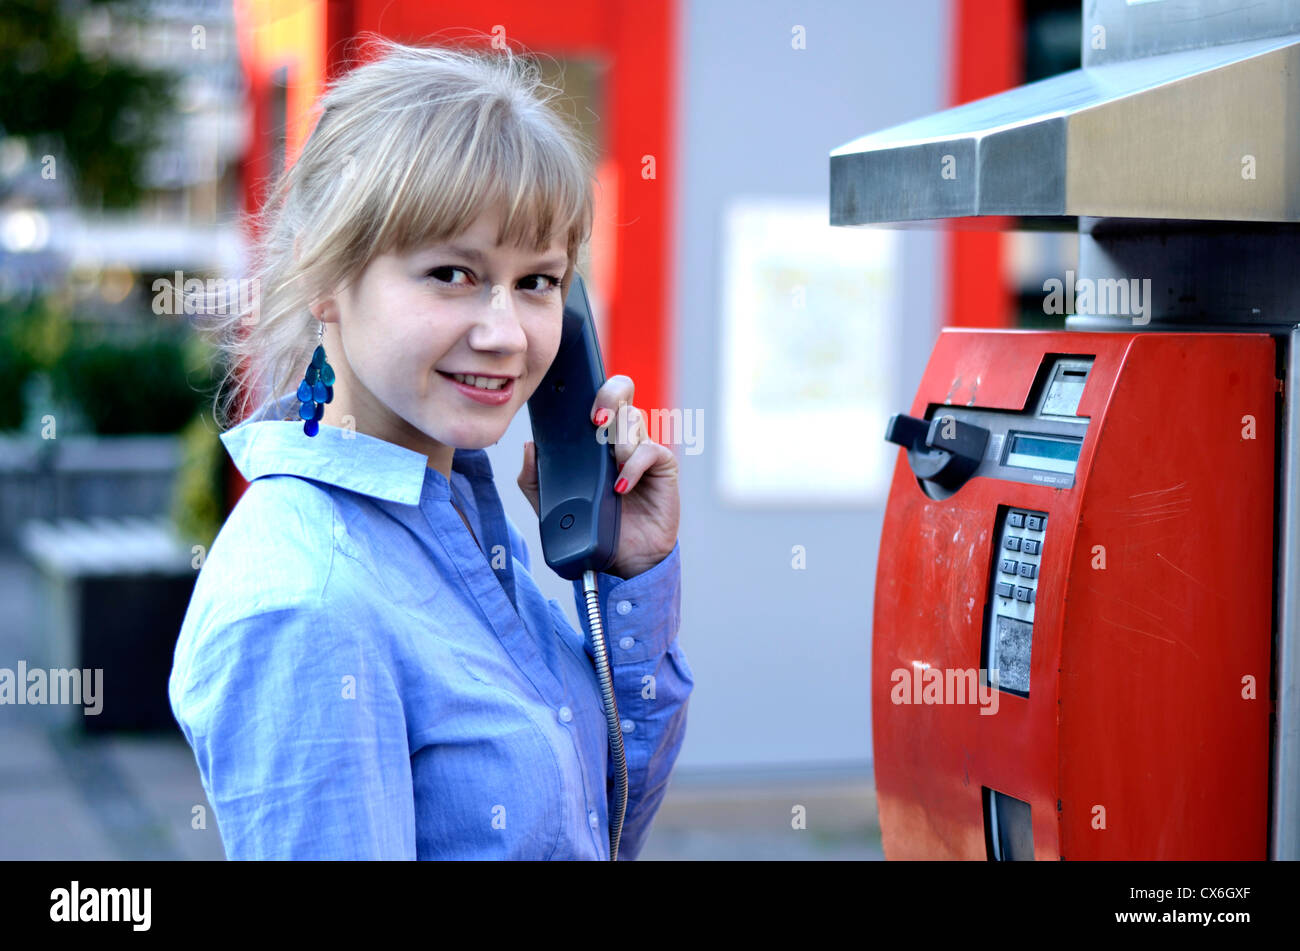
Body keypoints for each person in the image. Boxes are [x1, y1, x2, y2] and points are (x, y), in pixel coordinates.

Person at [168, 35, 693, 860]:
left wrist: (625, 575)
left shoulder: (457, 523)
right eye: (452, 273)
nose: (506, 334)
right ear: (324, 278)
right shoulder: (308, 601)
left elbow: (607, 822)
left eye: (538, 281)